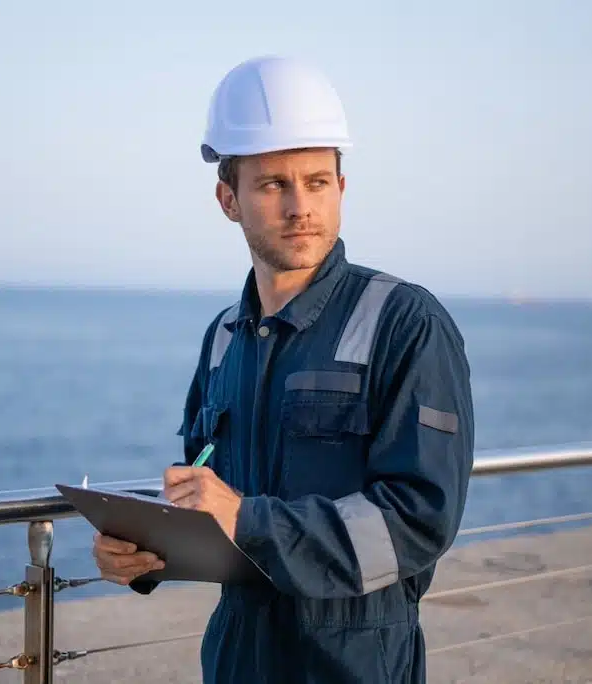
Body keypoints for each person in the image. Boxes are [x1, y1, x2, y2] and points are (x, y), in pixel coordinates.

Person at [92, 55, 474, 683]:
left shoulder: (405, 323)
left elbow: (418, 519)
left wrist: (246, 519)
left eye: (318, 182)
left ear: (341, 189)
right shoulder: (222, 339)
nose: (301, 207)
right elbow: (206, 500)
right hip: (239, 658)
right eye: (274, 185)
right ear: (227, 198)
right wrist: (144, 553)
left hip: (353, 663)